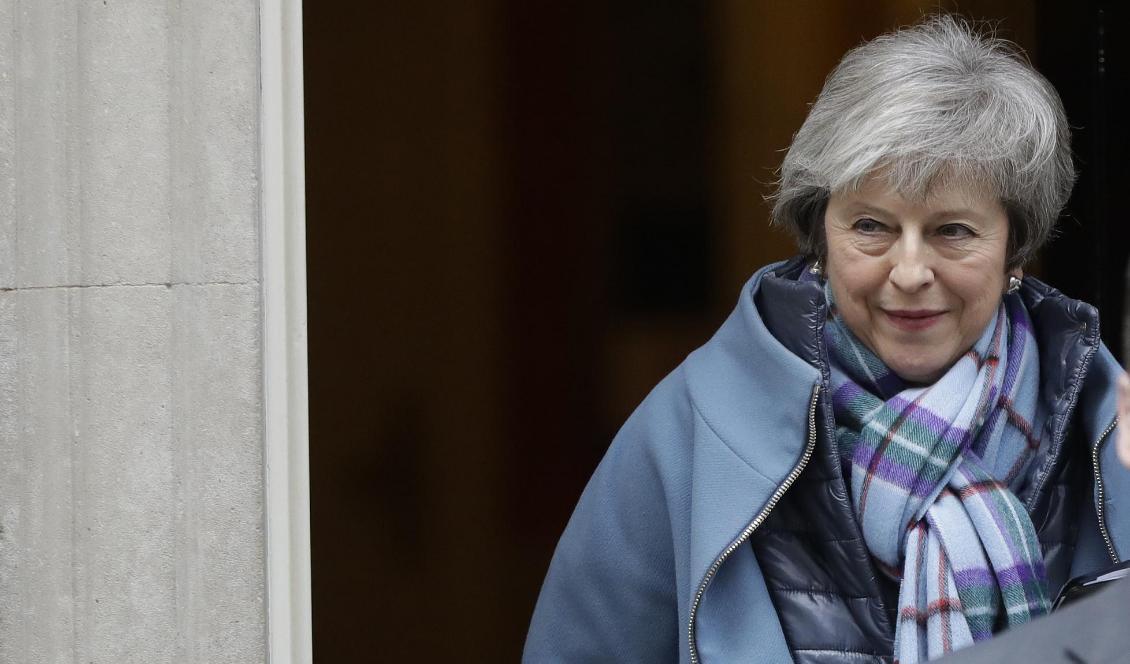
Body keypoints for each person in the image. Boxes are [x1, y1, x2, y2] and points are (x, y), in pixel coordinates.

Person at [524, 15, 1130, 664]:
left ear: (1016, 249)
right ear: (820, 235)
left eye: (953, 231)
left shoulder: (1107, 429)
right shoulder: (689, 431)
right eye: (872, 226)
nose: (909, 272)